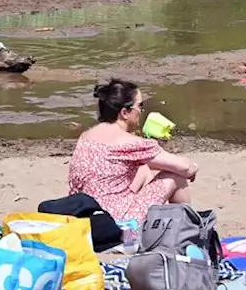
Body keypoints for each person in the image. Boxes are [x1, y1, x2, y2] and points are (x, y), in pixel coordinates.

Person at [68, 79, 197, 223]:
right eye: (140, 106)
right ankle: (186, 229)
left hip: (83, 214)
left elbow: (114, 164)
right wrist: (193, 168)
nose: (142, 111)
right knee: (175, 176)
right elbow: (184, 168)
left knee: (143, 168)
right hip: (116, 220)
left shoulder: (86, 136)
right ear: (124, 112)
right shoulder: (130, 143)